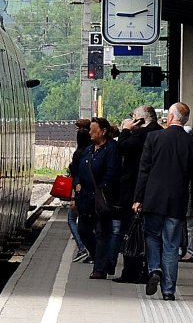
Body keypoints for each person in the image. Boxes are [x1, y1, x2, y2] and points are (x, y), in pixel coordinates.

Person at [132, 102, 193, 300]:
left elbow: (144, 171)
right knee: (172, 245)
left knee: (152, 236)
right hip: (177, 202)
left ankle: (155, 269)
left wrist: (138, 198)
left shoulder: (154, 137)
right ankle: (168, 291)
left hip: (153, 199)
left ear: (171, 118)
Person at [113, 105, 162, 283]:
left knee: (131, 231)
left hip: (134, 191)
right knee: (151, 234)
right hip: (153, 192)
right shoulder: (160, 132)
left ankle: (131, 272)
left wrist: (125, 130)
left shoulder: (142, 134)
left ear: (140, 120)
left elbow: (122, 148)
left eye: (133, 117)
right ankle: (149, 270)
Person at [74, 116, 121, 277]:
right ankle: (104, 259)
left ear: (103, 131)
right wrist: (77, 183)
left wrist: (103, 189)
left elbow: (112, 172)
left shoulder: (112, 149)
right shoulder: (88, 149)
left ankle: (99, 269)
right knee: (83, 230)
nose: (90, 133)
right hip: (86, 198)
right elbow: (78, 170)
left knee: (102, 233)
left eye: (93, 130)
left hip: (102, 199)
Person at [67, 119, 92, 263]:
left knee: (72, 219)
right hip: (90, 193)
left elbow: (76, 176)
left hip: (79, 193)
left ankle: (82, 248)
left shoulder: (78, 154)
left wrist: (73, 197)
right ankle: (90, 252)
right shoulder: (92, 152)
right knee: (88, 223)